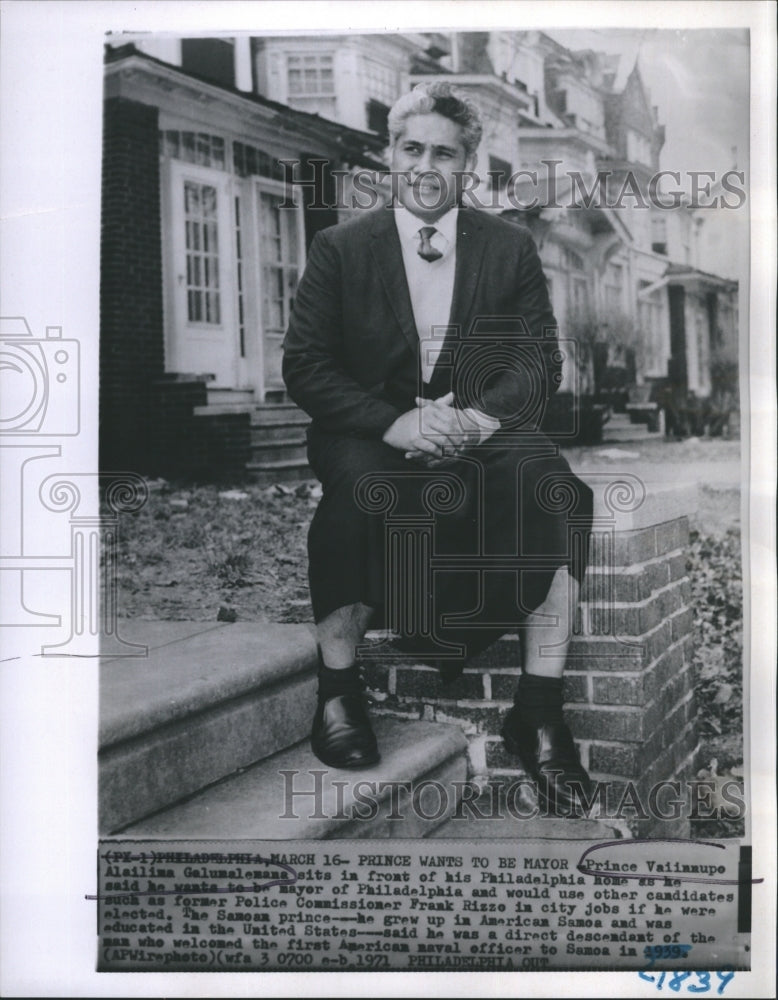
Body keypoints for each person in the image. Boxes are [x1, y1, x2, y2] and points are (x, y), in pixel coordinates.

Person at [283, 81, 594, 815]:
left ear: (468, 166)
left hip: (475, 429)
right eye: (412, 148)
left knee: (553, 485)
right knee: (359, 497)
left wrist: (478, 421)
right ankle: (338, 692)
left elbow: (536, 362)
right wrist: (397, 425)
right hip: (369, 431)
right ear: (392, 154)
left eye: (444, 154)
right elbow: (306, 365)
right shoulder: (339, 247)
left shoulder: (508, 248)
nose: (426, 166)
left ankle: (539, 711)